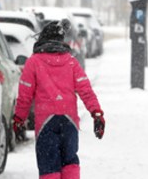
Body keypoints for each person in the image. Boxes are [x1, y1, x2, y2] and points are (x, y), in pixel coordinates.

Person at [12, 19, 105, 179]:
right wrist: (96, 113)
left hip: (45, 122)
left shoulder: (33, 62)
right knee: (70, 161)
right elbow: (86, 90)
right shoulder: (71, 62)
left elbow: (25, 95)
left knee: (49, 165)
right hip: (69, 121)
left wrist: (19, 118)